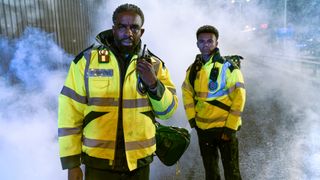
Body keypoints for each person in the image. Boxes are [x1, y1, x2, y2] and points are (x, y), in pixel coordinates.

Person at [58, 3, 178, 180]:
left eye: (134, 28)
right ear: (113, 29)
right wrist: (72, 163)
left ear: (141, 32)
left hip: (138, 163)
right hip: (98, 163)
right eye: (122, 27)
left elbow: (167, 112)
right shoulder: (86, 62)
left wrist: (154, 84)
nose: (128, 33)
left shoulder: (155, 65)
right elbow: (69, 113)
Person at [181, 25, 246, 180]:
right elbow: (187, 93)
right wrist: (193, 121)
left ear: (217, 43)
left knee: (232, 173)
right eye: (202, 41)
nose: (206, 44)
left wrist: (230, 128)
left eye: (210, 41)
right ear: (197, 44)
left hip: (225, 130)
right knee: (210, 173)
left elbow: (239, 99)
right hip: (204, 130)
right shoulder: (192, 70)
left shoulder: (229, 68)